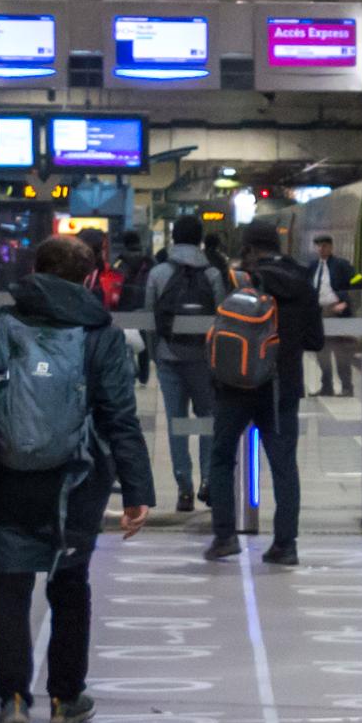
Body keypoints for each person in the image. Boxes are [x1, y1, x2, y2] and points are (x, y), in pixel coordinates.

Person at [0, 233, 153, 723]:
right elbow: (120, 416)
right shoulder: (100, 333)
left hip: (6, 475)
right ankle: (65, 698)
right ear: (90, 278)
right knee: (68, 584)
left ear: (35, 271)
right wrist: (137, 488)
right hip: (77, 479)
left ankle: (12, 699)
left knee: (9, 585)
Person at [206, 220, 319, 566]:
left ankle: (225, 537)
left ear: (250, 249)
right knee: (284, 465)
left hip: (236, 385)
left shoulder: (239, 281)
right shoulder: (303, 282)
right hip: (282, 386)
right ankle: (286, 545)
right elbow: (316, 341)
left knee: (223, 458)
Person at [142, 215, 228, 518]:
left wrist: (156, 355)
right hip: (204, 360)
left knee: (177, 422)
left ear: (174, 238)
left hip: (169, 358)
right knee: (207, 418)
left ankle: (184, 488)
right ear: (200, 239)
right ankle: (208, 480)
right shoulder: (213, 274)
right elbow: (221, 320)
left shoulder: (158, 273)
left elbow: (148, 320)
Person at [307, 233, 362, 397]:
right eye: (318, 246)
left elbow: (358, 282)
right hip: (319, 314)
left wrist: (345, 301)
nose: (321, 249)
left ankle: (346, 386)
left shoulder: (342, 265)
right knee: (322, 352)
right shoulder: (312, 267)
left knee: (341, 352)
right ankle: (326, 386)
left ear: (330, 247)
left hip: (338, 314)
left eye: (324, 246)